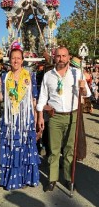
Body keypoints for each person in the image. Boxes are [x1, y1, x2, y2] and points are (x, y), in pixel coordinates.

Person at [37, 46, 91, 192]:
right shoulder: (48, 75)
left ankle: (68, 178)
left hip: (72, 116)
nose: (61, 58)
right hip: (55, 117)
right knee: (54, 150)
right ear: (54, 57)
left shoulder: (77, 73)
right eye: (58, 56)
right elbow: (42, 97)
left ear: (68, 57)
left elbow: (87, 94)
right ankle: (52, 179)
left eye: (64, 56)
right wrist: (40, 116)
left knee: (69, 149)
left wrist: (83, 88)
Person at [0, 41, 40, 190]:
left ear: (22, 60)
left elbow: (34, 99)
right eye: (13, 58)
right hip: (9, 118)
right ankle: (9, 178)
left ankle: (25, 177)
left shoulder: (30, 76)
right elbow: (0, 99)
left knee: (24, 145)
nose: (15, 61)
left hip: (25, 118)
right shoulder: (4, 76)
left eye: (18, 58)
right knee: (10, 144)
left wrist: (36, 117)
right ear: (9, 59)